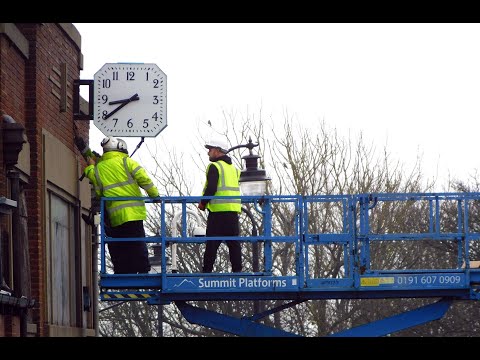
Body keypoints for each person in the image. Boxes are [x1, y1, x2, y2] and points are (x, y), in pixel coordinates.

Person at [84, 136, 159, 274]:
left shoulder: (98, 168)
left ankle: (122, 271)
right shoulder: (127, 162)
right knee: (137, 242)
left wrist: (89, 168)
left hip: (115, 215)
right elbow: (144, 179)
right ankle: (143, 269)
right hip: (133, 213)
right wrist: (155, 196)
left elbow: (99, 192)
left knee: (119, 244)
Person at [198, 136, 242, 273]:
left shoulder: (214, 166)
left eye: (210, 149)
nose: (208, 152)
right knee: (234, 245)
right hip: (233, 212)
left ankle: (206, 274)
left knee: (211, 245)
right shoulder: (234, 169)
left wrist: (203, 203)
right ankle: (237, 273)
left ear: (217, 151)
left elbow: (211, 188)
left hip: (217, 213)